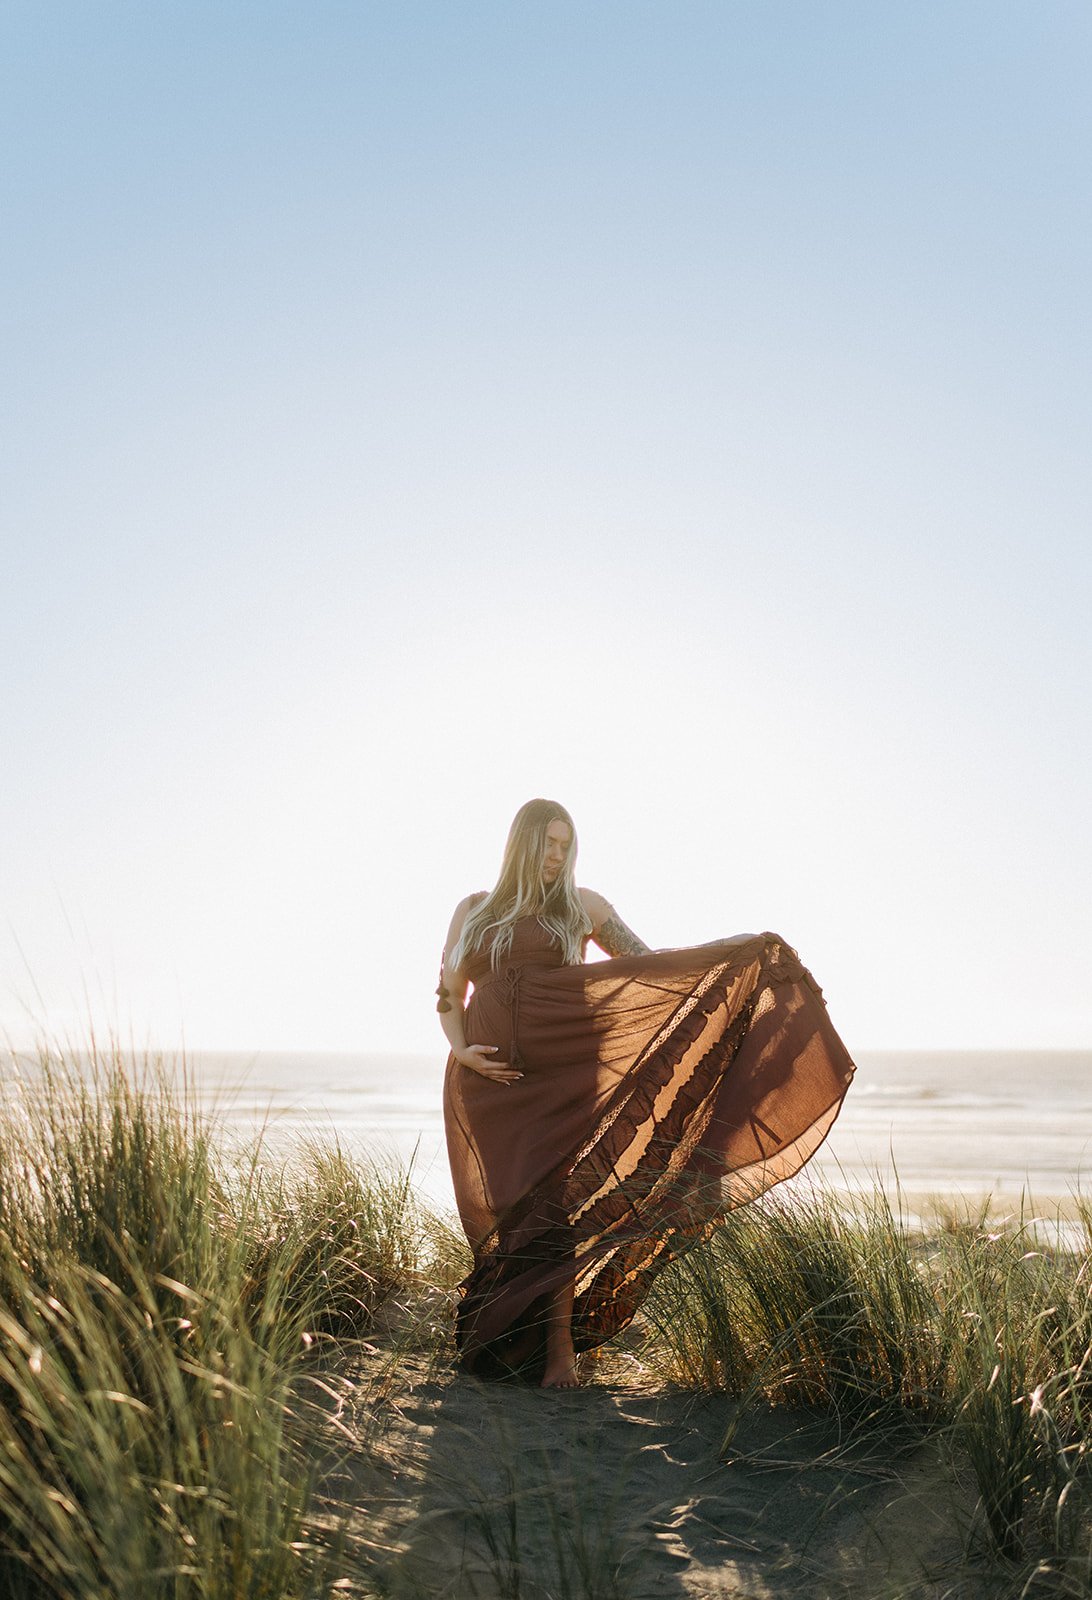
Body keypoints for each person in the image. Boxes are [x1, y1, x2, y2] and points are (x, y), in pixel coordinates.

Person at [438, 798, 855, 1389]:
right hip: (488, 1085)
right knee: (511, 1210)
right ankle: (512, 1339)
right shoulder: (475, 910)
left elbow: (647, 962)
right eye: (547, 844)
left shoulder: (582, 908)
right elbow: (449, 990)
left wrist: (736, 952)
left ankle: (560, 1356)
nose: (557, 856)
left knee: (554, 1211)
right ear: (521, 845)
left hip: (563, 1079)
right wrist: (459, 1048)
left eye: (566, 845)